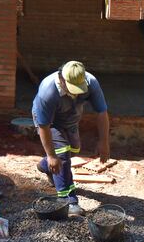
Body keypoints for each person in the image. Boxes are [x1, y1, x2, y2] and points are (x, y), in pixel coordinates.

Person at [32, 61, 110, 217]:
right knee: (62, 156)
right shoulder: (48, 91)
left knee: (74, 150)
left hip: (71, 120)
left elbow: (102, 113)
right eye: (72, 89)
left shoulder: (91, 82)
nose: (76, 94)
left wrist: (104, 141)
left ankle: (45, 165)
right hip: (49, 122)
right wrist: (52, 155)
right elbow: (44, 126)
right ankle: (69, 201)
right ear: (62, 79)